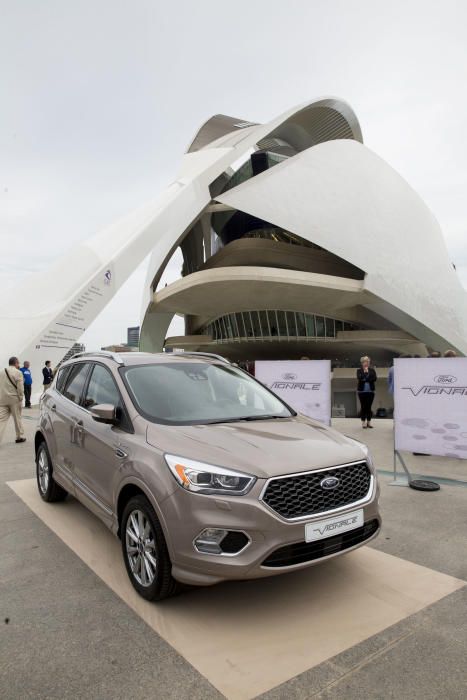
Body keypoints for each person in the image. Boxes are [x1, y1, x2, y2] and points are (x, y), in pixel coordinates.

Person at [0, 357, 26, 444]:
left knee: (1, 421)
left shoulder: (1, 372)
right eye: (18, 363)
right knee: (17, 418)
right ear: (16, 363)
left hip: (2, 399)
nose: (19, 365)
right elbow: (20, 387)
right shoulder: (18, 372)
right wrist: (21, 397)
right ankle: (19, 437)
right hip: (14, 399)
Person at [356, 355, 377, 429]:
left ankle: (369, 422)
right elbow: (360, 378)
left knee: (369, 407)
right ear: (362, 363)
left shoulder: (372, 370)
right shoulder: (359, 370)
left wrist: (365, 378)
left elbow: (374, 379)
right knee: (363, 407)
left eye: (368, 361)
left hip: (370, 391)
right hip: (362, 392)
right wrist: (365, 374)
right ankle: (363, 422)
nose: (367, 363)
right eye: (365, 361)